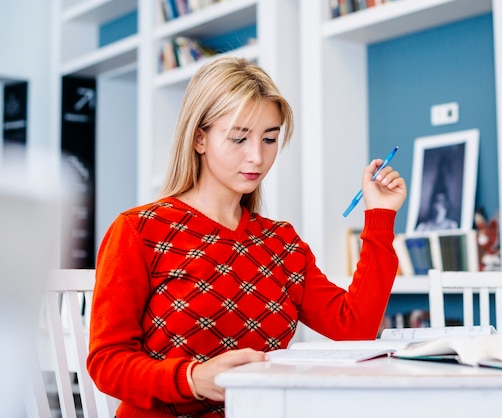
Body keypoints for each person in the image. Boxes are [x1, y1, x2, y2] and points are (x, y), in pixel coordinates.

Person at [87, 56, 407, 417]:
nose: (257, 156)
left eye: (270, 139)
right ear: (199, 138)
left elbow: (355, 327)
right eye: (239, 138)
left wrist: (380, 215)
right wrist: (192, 378)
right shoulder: (139, 230)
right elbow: (107, 363)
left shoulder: (280, 243)